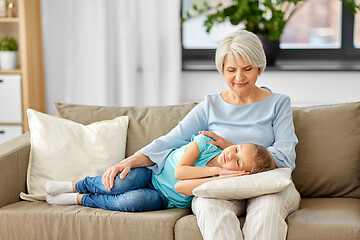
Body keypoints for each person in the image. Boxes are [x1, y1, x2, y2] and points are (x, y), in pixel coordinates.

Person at [100, 29, 300, 240]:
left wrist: (229, 145)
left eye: (247, 69)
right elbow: (171, 139)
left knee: (267, 210)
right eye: (231, 70)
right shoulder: (210, 106)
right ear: (222, 70)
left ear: (259, 68)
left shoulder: (278, 104)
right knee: (207, 205)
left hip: (267, 187)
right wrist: (129, 162)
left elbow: (285, 158)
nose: (239, 77)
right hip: (220, 186)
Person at [45, 134, 275, 211]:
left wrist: (218, 177)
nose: (230, 156)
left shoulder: (222, 182)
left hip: (165, 198)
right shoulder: (205, 142)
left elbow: (179, 188)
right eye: (235, 149)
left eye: (237, 162)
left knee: (131, 202)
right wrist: (216, 169)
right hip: (154, 173)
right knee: (120, 183)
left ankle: (80, 199)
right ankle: (77, 185)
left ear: (242, 174)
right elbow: (181, 173)